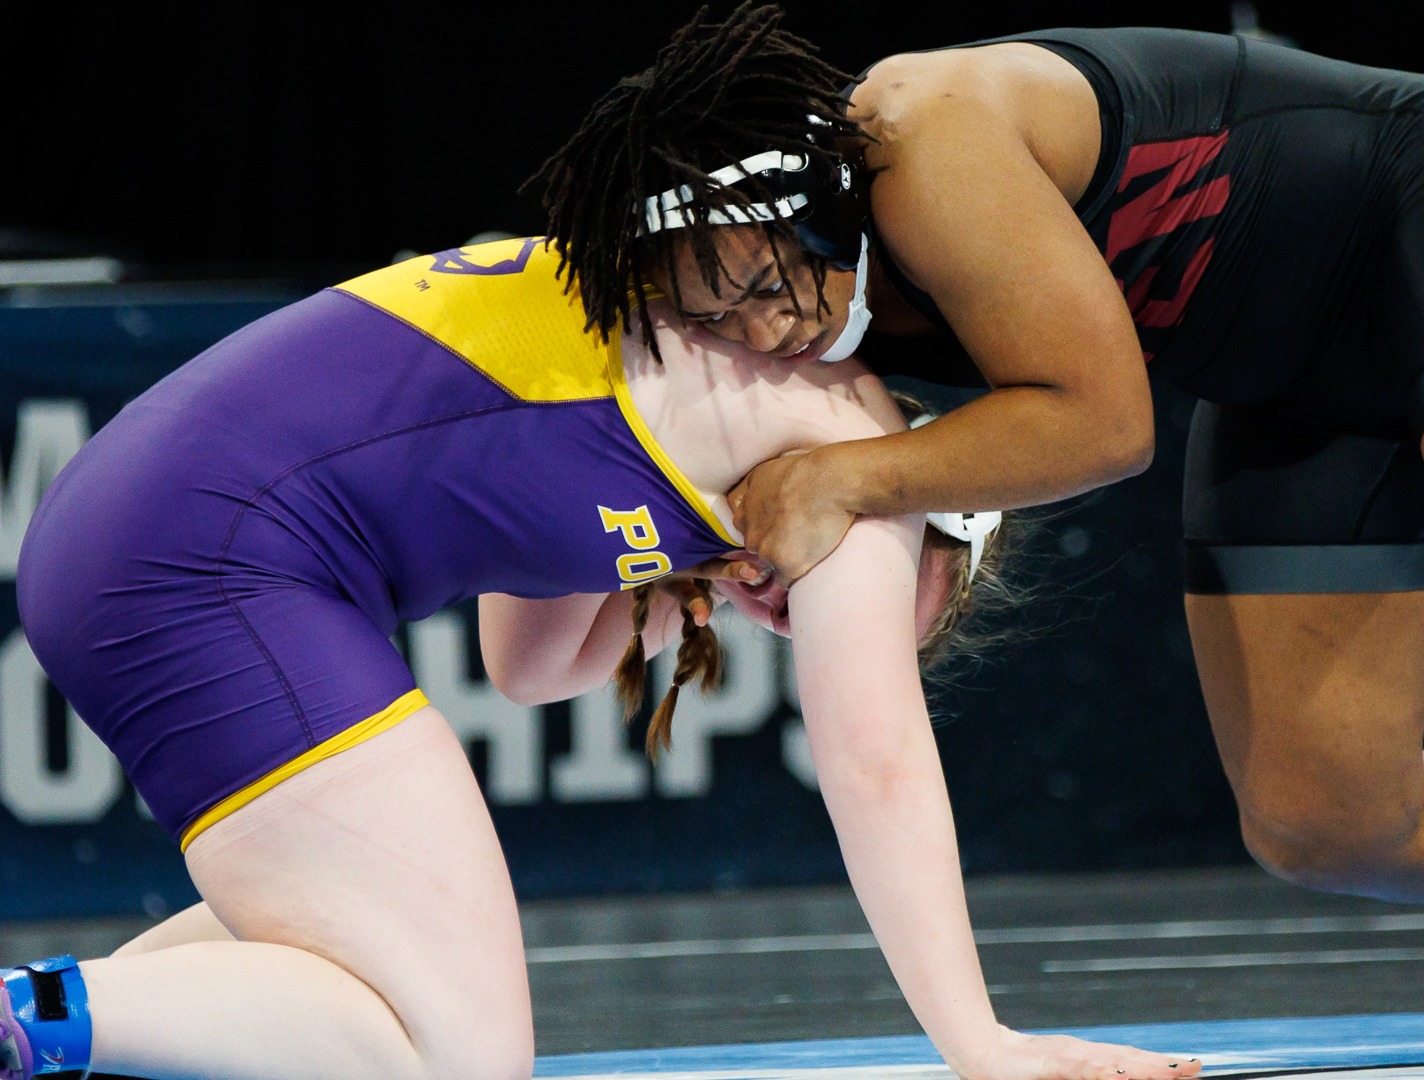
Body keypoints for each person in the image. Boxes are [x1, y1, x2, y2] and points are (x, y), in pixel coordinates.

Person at [526, 2, 1424, 1039]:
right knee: (1320, 815)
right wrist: (807, 561)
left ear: (787, 194)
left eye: (761, 280)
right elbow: (938, 548)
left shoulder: (920, 137)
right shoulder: (810, 323)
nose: (768, 327)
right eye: (713, 316)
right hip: (1288, 374)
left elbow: (1102, 426)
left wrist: (841, 483)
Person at [0, 236, 1203, 1080]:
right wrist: (979, 1044)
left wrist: (678, 564)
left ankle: (54, 1027)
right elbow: (877, 759)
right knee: (463, 1051)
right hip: (209, 551)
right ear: (952, 524)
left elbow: (526, 665)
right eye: (890, 618)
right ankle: (23, 1021)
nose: (796, 623)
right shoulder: (858, 455)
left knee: (360, 975)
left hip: (140, 521)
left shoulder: (709, 392)